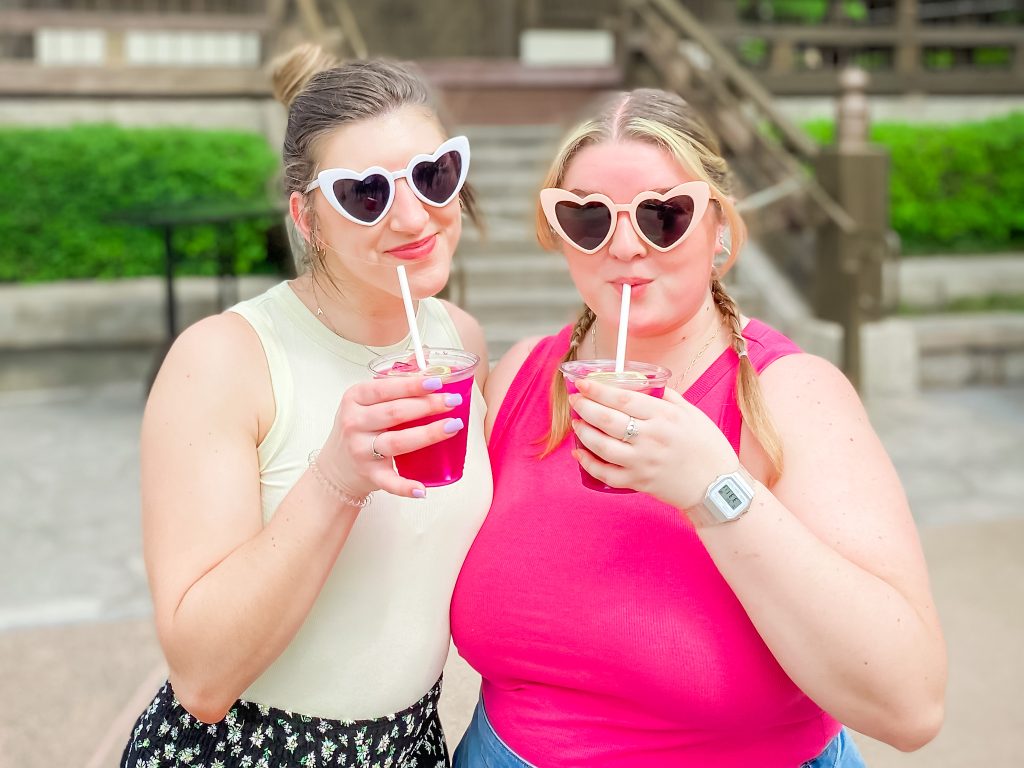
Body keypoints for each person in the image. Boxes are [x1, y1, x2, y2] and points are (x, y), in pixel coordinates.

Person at [450, 88, 946, 767]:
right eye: (589, 218)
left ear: (719, 230)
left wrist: (714, 488)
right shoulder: (518, 379)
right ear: (558, 235)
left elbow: (910, 704)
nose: (624, 245)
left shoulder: (796, 397)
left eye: (663, 214)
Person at [120, 44, 492, 768]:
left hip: (409, 746)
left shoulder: (457, 340)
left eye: (432, 175)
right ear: (307, 216)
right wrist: (335, 479)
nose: (414, 217)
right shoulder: (223, 360)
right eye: (366, 193)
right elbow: (201, 676)